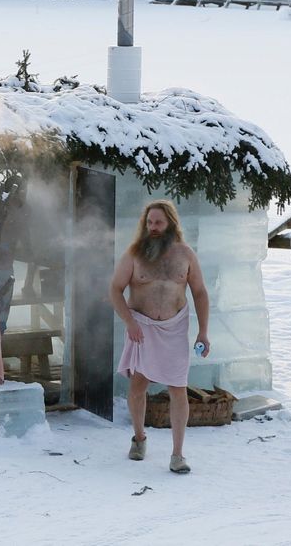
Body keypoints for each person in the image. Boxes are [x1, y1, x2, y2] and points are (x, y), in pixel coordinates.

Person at [109, 199, 210, 474]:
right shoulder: (133, 254)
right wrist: (129, 322)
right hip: (141, 327)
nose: (153, 228)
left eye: (158, 222)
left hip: (174, 329)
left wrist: (203, 331)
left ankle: (177, 455)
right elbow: (115, 290)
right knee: (138, 385)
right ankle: (139, 438)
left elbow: (200, 292)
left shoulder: (185, 254)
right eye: (149, 222)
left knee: (178, 388)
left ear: (170, 224)